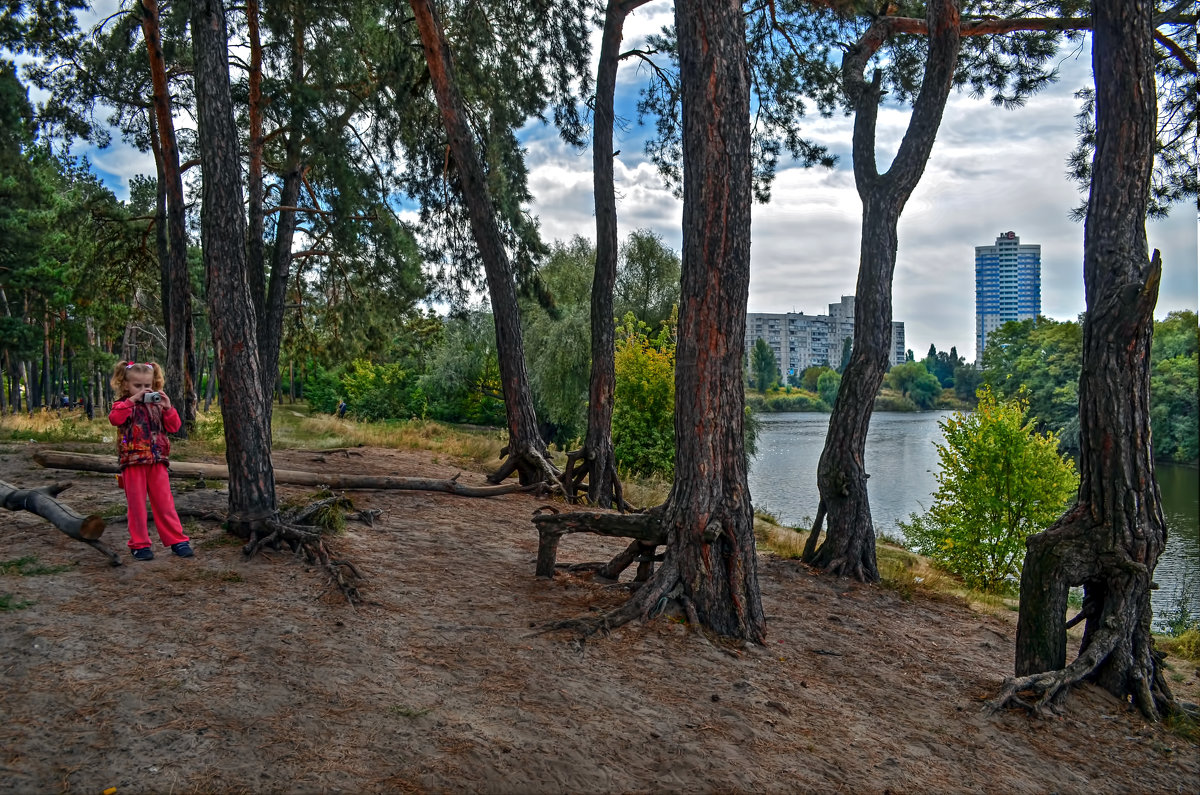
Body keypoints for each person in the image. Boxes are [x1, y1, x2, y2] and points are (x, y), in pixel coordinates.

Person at [108, 361, 192, 561]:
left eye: (148, 386)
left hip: (158, 461)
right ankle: (140, 544)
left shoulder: (158, 406)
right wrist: (132, 401)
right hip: (133, 461)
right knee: (136, 505)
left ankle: (177, 540)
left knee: (165, 503)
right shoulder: (122, 405)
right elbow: (115, 419)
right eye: (138, 386)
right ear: (125, 385)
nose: (144, 390)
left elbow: (174, 427)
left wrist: (169, 408)